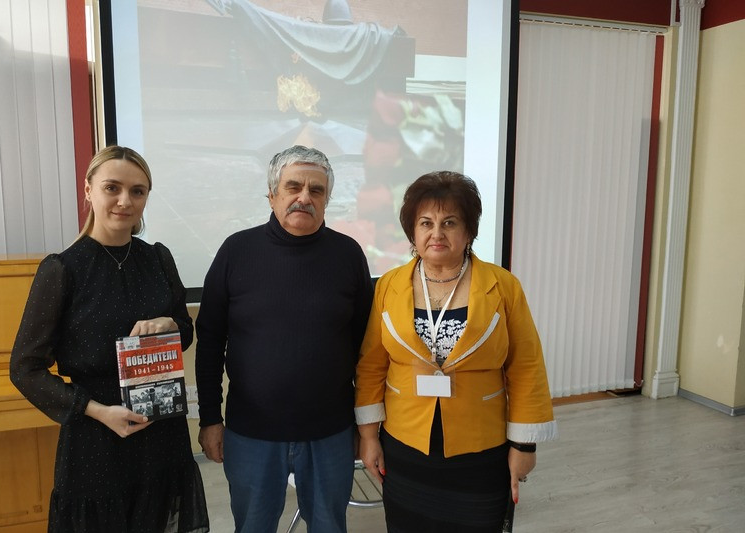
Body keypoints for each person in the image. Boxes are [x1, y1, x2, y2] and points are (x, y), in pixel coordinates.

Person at [10, 146, 209, 533]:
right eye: (112, 188)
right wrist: (98, 412)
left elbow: (185, 331)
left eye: (137, 191)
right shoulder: (63, 269)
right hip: (97, 439)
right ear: (88, 190)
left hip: (162, 434)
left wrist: (169, 324)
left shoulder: (158, 258)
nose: (125, 201)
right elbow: (24, 368)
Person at [355, 171, 558, 532]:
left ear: (468, 231)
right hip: (405, 445)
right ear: (413, 232)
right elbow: (372, 365)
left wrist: (524, 447)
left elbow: (526, 367)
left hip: (480, 448)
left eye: (449, 222)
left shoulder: (503, 286)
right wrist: (369, 436)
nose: (437, 233)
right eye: (426, 223)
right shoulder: (388, 285)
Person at [195, 145, 373, 533]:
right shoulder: (236, 251)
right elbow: (209, 340)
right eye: (293, 186)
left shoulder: (348, 255)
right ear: (272, 194)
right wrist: (210, 418)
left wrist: (366, 426)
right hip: (251, 433)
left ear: (326, 200)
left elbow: (367, 348)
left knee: (329, 526)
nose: (304, 197)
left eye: (316, 190)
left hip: (330, 433)